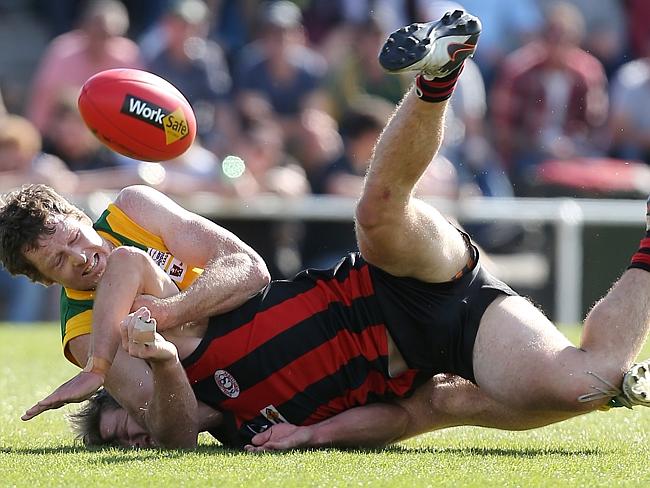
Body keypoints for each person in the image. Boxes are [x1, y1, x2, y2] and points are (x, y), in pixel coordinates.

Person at [5, 10, 650, 451]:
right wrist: (148, 356)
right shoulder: (104, 341)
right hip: (435, 353)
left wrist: (160, 318)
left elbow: (243, 268)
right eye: (59, 264)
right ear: (46, 282)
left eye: (72, 239)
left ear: (77, 215)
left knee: (376, 216)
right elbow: (172, 429)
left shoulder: (127, 223)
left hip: (380, 284)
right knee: (585, 382)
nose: (80, 260)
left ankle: (436, 76)